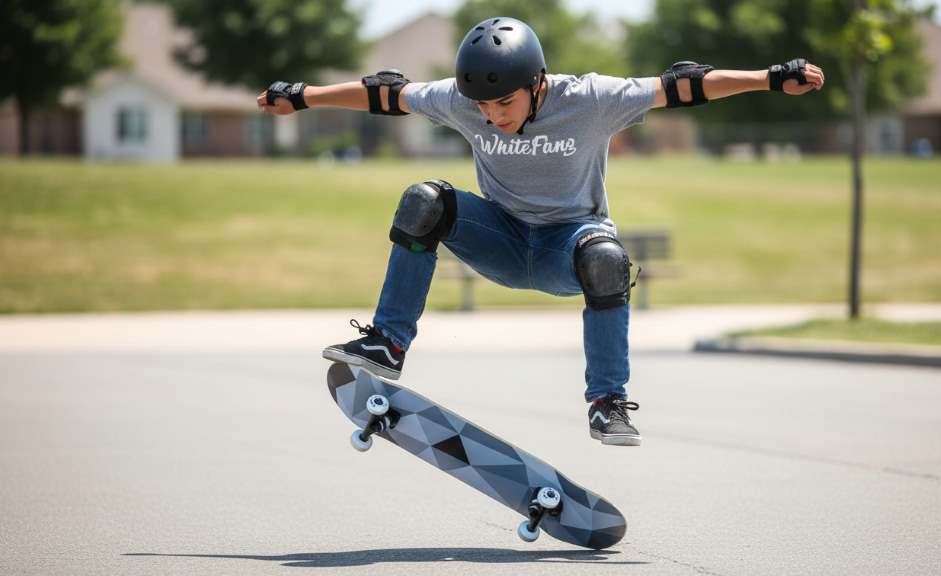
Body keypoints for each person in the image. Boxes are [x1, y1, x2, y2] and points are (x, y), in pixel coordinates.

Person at [257, 17, 825, 447]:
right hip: (500, 239)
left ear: (538, 82)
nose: (493, 116)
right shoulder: (461, 101)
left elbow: (684, 86)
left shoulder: (591, 99)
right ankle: (388, 343)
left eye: (505, 102)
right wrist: (302, 97)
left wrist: (772, 79)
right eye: (482, 106)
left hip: (568, 248)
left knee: (607, 257)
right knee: (425, 199)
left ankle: (607, 401)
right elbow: (385, 93)